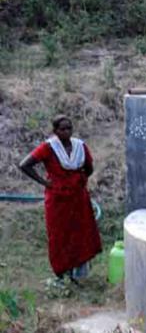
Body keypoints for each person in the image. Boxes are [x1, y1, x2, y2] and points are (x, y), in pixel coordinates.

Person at [17, 115, 103, 290]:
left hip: (78, 198)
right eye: (62, 129)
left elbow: (89, 167)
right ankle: (62, 273)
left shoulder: (79, 146)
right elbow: (24, 164)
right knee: (59, 235)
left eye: (69, 128)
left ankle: (78, 273)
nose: (67, 132)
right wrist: (46, 183)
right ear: (55, 131)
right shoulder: (49, 148)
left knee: (80, 232)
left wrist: (78, 181)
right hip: (58, 199)